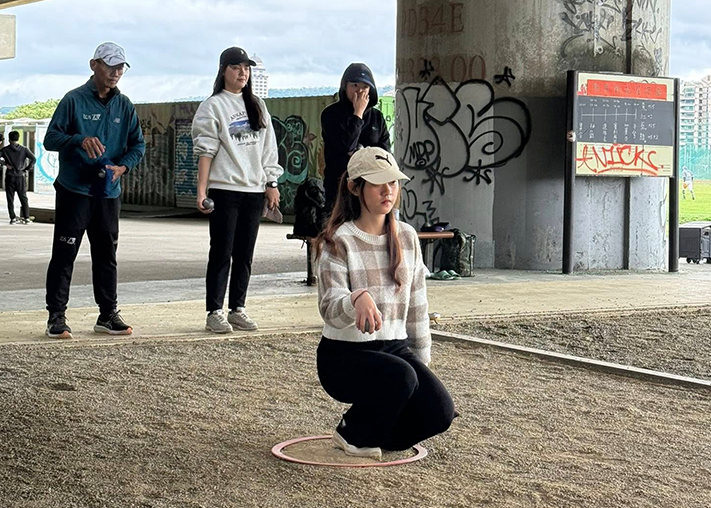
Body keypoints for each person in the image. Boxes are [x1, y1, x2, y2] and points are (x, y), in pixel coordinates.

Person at [314, 146, 456, 460]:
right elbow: (329, 308)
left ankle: (373, 433)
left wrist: (422, 361)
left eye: (393, 182)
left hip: (395, 349)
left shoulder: (407, 236)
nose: (388, 190)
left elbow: (417, 304)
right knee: (401, 376)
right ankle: (351, 432)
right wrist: (356, 299)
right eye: (378, 182)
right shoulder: (337, 240)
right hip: (343, 355)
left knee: (440, 411)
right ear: (355, 187)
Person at [43, 42, 145, 339]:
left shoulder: (124, 105)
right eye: (110, 66)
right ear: (94, 65)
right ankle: (56, 316)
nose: (116, 72)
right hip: (74, 191)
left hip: (108, 192)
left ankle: (107, 314)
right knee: (64, 254)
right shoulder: (73, 100)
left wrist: (123, 167)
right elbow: (51, 139)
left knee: (106, 255)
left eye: (121, 67)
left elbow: (138, 145)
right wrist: (79, 140)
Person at [192, 47, 283, 334]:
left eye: (246, 68)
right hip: (224, 189)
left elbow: (269, 148)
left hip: (254, 190)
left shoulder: (257, 104)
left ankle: (237, 309)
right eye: (236, 67)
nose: (243, 72)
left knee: (244, 254)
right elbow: (205, 151)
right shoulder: (213, 106)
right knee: (221, 252)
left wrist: (271, 183)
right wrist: (202, 191)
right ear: (223, 71)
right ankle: (214, 311)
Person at [321, 63, 391, 214]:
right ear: (345, 87)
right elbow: (347, 146)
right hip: (339, 185)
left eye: (365, 87)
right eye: (354, 85)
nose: (360, 91)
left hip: (371, 186)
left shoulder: (376, 117)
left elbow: (384, 153)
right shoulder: (330, 114)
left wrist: (359, 153)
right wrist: (358, 113)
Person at [1, 130, 36, 224]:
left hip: (10, 176)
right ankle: (26, 218)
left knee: (10, 198)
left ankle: (13, 218)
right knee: (23, 197)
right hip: (20, 176)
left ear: (9, 139)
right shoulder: (24, 149)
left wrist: (5, 164)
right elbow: (33, 159)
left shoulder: (5, 150)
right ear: (18, 138)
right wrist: (27, 168)